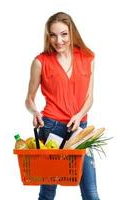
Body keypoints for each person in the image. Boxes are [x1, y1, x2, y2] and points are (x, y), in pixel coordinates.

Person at [25, 11, 100, 200]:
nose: (59, 40)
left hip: (80, 130)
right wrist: (34, 111)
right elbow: (29, 99)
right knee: (48, 190)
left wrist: (79, 114)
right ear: (48, 36)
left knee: (90, 191)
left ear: (72, 32)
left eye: (64, 34)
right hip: (51, 128)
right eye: (53, 35)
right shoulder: (40, 62)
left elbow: (89, 97)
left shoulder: (87, 57)